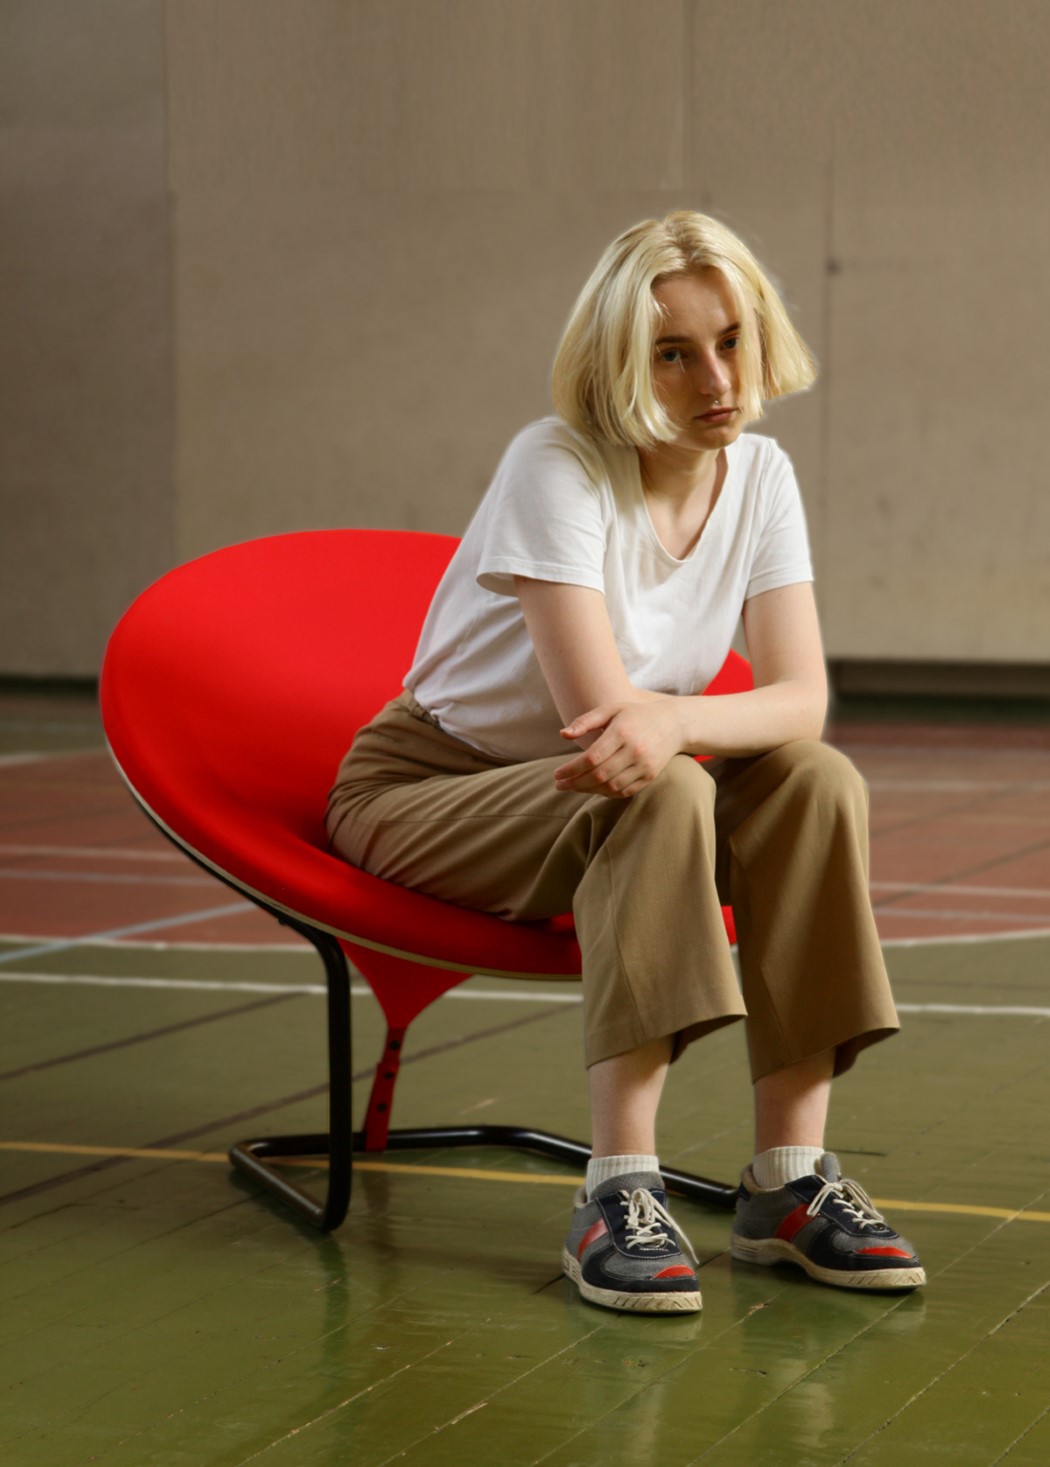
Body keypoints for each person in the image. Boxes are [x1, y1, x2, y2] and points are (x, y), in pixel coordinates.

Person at [326, 210, 925, 1314]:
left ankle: (788, 1183)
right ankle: (618, 1189)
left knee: (817, 782)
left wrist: (676, 722)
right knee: (659, 780)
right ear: (619, 364)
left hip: (602, 779)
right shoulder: (553, 463)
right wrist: (675, 727)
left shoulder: (761, 474)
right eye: (673, 353)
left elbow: (801, 702)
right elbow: (603, 728)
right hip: (428, 790)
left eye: (731, 341)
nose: (718, 380)